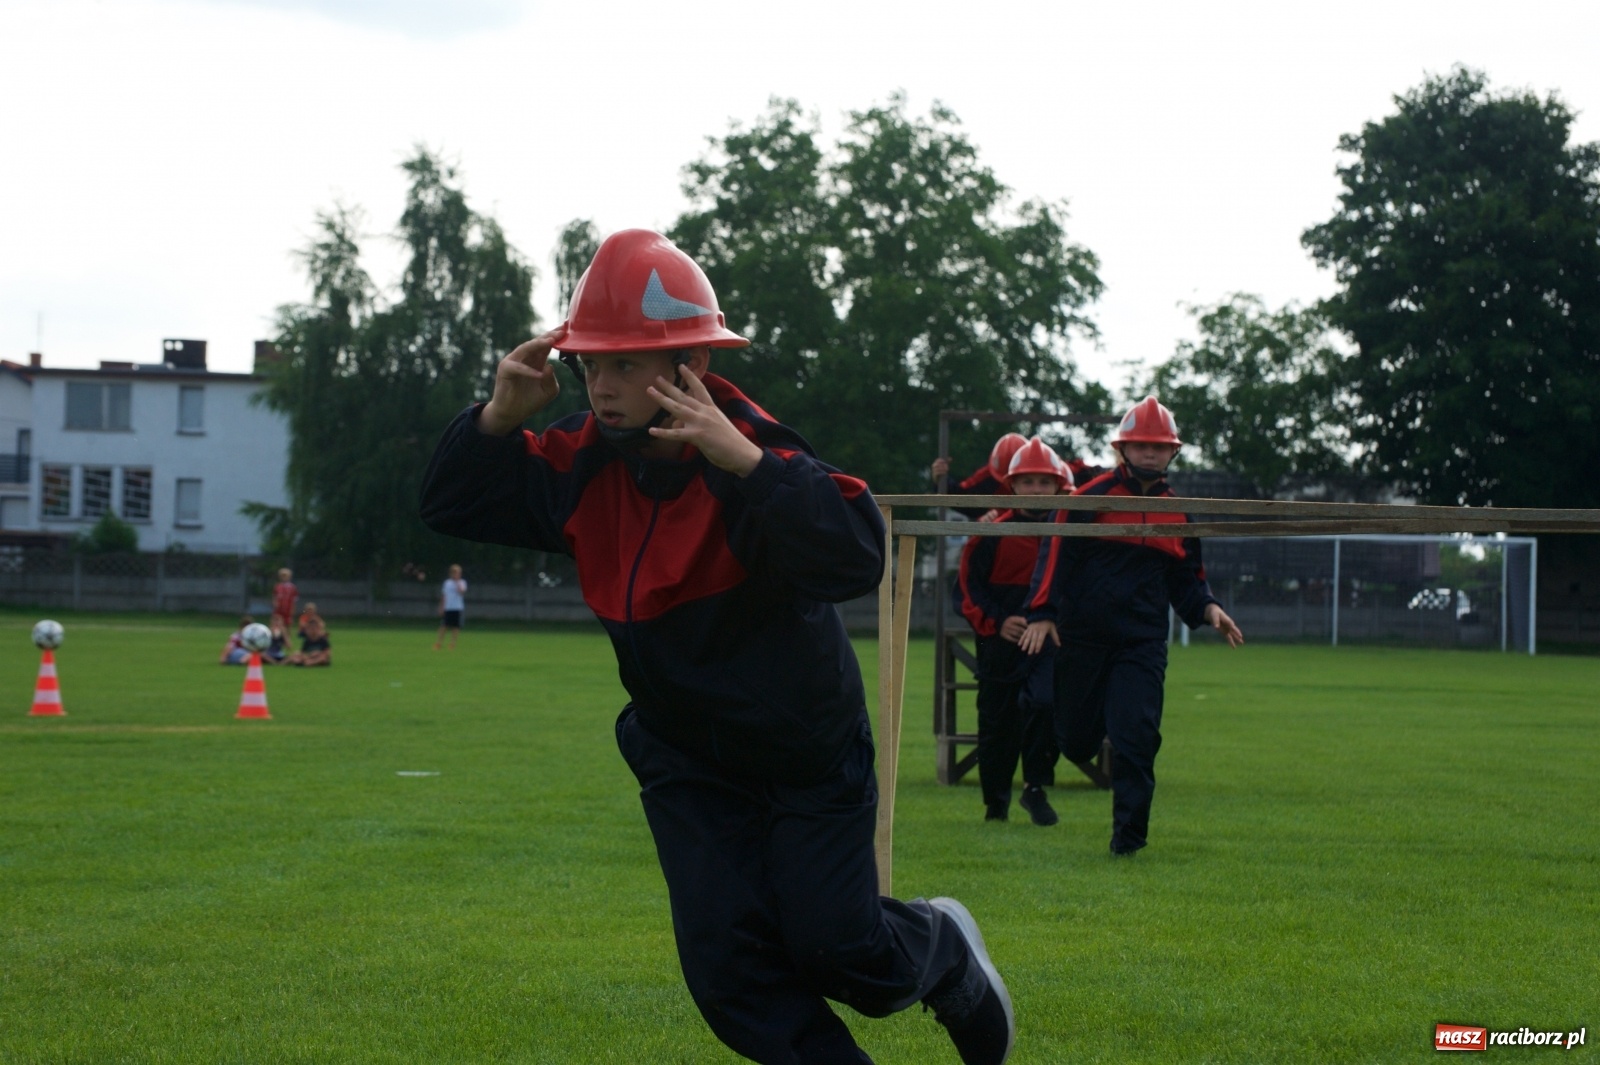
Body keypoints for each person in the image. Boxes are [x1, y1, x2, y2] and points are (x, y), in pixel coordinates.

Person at [421, 229, 1014, 1065]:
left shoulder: (750, 446)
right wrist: (497, 419)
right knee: (729, 970)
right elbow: (449, 503)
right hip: (684, 757)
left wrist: (747, 465)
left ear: (691, 358)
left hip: (803, 751)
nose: (602, 386)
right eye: (591, 364)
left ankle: (943, 949)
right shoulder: (582, 461)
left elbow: (856, 553)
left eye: (626, 364)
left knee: (835, 948)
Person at [1020, 396, 1244, 856]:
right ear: (1122, 449)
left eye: (1158, 447)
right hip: (1083, 638)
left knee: (1138, 737)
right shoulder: (1086, 501)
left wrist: (1208, 608)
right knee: (1078, 744)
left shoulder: (1180, 512)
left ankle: (1129, 842)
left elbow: (1188, 578)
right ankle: (1087, 726)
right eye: (1140, 445)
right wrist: (1042, 611)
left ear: (1172, 453)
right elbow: (1054, 557)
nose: (1149, 453)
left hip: (1141, 642)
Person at [956, 437, 1069, 826]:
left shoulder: (1070, 535)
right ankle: (996, 806)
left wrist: (1053, 619)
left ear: (1058, 486)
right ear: (1012, 486)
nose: (1036, 491)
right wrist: (999, 622)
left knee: (1046, 706)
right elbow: (968, 592)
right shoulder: (988, 535)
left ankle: (1035, 787)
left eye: (1044, 482)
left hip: (1050, 640)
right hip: (999, 642)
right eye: (1027, 482)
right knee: (997, 723)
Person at [434, 564, 467, 649]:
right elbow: (444, 596)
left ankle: (452, 644)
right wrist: (441, 607)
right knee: (444, 626)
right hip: (448, 608)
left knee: (456, 627)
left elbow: (462, 592)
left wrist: (457, 583)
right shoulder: (447, 583)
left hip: (458, 607)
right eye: (456, 573)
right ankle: (438, 643)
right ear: (451, 573)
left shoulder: (462, 582)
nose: (458, 575)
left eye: (459, 573)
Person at [272, 568, 298, 634]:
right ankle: (277, 637)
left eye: (285, 575)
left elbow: (294, 600)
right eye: (282, 576)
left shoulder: (292, 587)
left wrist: (292, 610)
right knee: (276, 623)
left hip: (287, 608)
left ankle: (287, 638)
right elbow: (275, 597)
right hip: (279, 609)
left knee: (287, 623)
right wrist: (275, 604)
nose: (284, 577)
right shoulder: (278, 586)